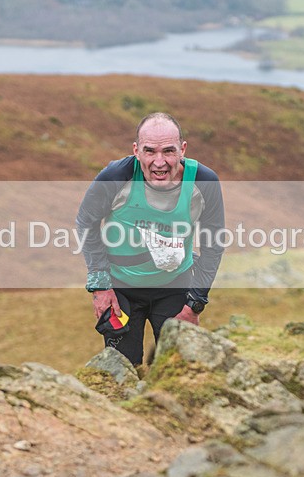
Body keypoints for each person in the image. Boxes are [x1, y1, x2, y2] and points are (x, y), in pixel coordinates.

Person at [76, 112, 225, 365]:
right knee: (122, 370)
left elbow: (213, 245)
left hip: (175, 286)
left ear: (182, 149)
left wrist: (195, 304)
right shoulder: (116, 176)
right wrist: (100, 285)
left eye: (168, 151)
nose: (159, 162)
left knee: (179, 367)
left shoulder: (203, 182)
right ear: (136, 150)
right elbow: (86, 223)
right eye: (149, 151)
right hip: (120, 288)